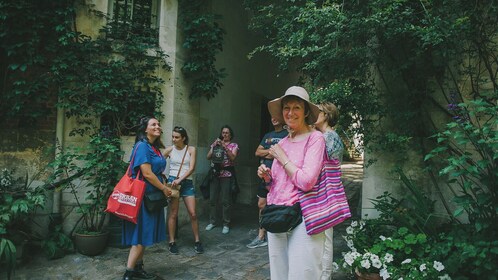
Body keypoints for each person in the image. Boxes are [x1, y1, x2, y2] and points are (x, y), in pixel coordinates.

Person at [257, 86, 326, 280]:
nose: (290, 112)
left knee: (302, 274)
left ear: (305, 113)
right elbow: (276, 187)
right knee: (278, 274)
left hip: (304, 216)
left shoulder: (315, 139)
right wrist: (267, 177)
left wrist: (282, 158)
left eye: (297, 107)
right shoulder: (283, 143)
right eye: (287, 108)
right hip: (278, 212)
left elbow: (306, 181)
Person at [122, 117, 172, 280]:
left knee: (144, 234)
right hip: (143, 197)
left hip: (153, 196)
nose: (158, 126)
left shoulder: (154, 147)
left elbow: (156, 170)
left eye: (158, 124)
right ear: (145, 129)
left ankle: (138, 268)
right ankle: (128, 274)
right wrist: (164, 188)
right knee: (140, 235)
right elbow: (147, 173)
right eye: (154, 124)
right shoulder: (142, 146)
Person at [246, 117, 288, 249]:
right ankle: (261, 236)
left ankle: (277, 235)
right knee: (261, 204)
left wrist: (269, 153)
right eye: (271, 116)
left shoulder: (287, 135)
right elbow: (257, 152)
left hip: (279, 176)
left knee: (277, 204)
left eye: (276, 116)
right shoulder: (268, 135)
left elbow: (285, 154)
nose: (273, 118)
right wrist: (273, 152)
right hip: (265, 175)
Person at [314, 102, 345, 280]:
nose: (313, 114)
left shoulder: (329, 137)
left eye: (318, 112)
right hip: (324, 190)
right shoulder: (324, 136)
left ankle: (324, 276)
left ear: (326, 115)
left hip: (326, 192)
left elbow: (324, 167)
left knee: (325, 238)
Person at [163, 126, 204, 255]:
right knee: (173, 213)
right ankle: (171, 242)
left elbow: (191, 168)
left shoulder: (191, 149)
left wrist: (180, 179)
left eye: (177, 137)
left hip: (186, 182)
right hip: (173, 183)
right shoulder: (169, 150)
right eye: (173, 137)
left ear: (184, 138)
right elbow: (157, 163)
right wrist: (164, 180)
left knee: (193, 213)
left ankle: (197, 241)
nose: (174, 139)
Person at [205, 125, 239, 234]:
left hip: (227, 174)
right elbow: (208, 156)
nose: (225, 134)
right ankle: (212, 222)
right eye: (223, 132)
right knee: (212, 200)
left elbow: (233, 157)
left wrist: (225, 147)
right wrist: (214, 146)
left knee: (225, 201)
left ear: (230, 134)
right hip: (215, 174)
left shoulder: (234, 145)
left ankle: (226, 224)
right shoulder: (215, 144)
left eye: (227, 133)